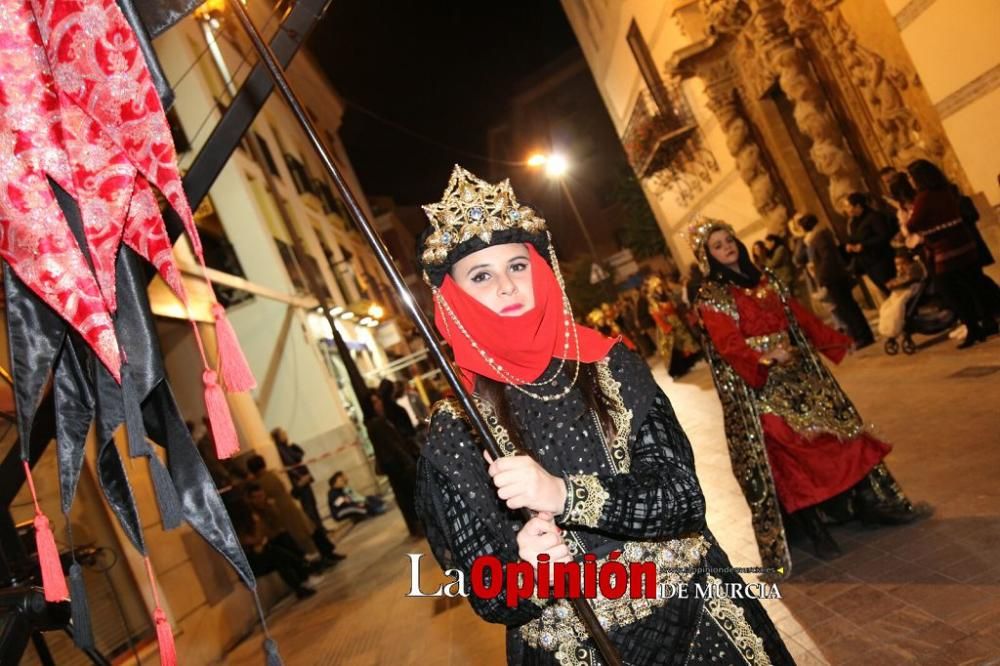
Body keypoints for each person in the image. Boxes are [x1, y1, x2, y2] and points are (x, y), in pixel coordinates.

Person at [413, 166, 793, 665]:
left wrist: (563, 494)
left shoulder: (608, 363)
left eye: (517, 266)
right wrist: (526, 571)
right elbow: (488, 595)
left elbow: (683, 498)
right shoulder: (457, 425)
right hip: (579, 649)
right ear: (453, 299)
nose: (506, 286)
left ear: (542, 269)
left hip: (699, 616)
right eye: (481, 276)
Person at [692, 219, 927, 567]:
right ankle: (814, 528)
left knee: (844, 430)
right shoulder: (713, 296)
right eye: (717, 245)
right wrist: (764, 358)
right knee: (788, 446)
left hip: (800, 377)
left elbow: (798, 316)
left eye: (729, 239)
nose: (727, 246)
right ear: (707, 256)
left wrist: (833, 339)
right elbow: (727, 343)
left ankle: (869, 503)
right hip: (763, 385)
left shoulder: (766, 278)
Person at [905, 160, 998, 347]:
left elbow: (913, 223)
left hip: (946, 250)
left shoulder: (924, 197)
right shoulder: (946, 190)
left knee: (950, 290)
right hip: (964, 243)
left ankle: (972, 326)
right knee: (973, 283)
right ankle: (987, 321)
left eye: (911, 177)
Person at [246, 454, 344, 565]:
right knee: (310, 533)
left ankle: (323, 557)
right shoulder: (270, 476)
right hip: (287, 509)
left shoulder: (259, 481)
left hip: (284, 511)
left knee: (307, 534)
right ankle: (325, 555)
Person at [800, 214, 875, 347]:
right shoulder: (817, 236)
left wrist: (822, 275)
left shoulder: (820, 235)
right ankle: (858, 336)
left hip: (833, 277)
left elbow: (827, 258)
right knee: (845, 308)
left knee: (848, 307)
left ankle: (863, 336)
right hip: (832, 276)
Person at [230, 498, 318, 600]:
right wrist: (257, 523)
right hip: (249, 566)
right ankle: (303, 564)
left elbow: (267, 533)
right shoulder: (238, 529)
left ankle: (300, 583)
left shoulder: (249, 524)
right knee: (276, 554)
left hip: (260, 556)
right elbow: (255, 540)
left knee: (279, 558)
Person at [366, 392, 422, 536]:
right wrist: (406, 461)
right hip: (398, 467)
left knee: (407, 497)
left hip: (396, 467)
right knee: (408, 497)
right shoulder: (377, 423)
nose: (379, 404)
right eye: (375, 402)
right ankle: (418, 526)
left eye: (378, 400)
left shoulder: (380, 421)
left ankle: (416, 526)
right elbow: (392, 446)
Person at [641, 275, 701, 377]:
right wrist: (666, 327)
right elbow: (656, 314)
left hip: (676, 322)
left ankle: (687, 363)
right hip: (667, 325)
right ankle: (678, 369)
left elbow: (673, 306)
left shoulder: (665, 295)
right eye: (657, 287)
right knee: (673, 348)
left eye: (660, 286)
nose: (660, 289)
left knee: (684, 343)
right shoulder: (653, 301)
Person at [844, 192, 897, 296]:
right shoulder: (853, 222)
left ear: (858, 206)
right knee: (885, 290)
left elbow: (884, 236)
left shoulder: (874, 217)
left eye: (848, 206)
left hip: (880, 260)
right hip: (867, 263)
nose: (846, 209)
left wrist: (864, 245)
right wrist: (849, 245)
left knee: (893, 289)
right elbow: (853, 238)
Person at [271, 427, 322, 528]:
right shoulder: (281, 450)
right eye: (282, 433)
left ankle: (321, 528)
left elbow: (299, 454)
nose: (285, 434)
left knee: (313, 504)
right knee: (309, 508)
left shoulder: (288, 447)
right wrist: (301, 478)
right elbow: (290, 465)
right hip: (300, 482)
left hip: (304, 479)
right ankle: (317, 531)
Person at [877, 251, 927, 340]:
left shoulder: (913, 268)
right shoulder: (901, 271)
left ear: (909, 262)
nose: (900, 267)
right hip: (900, 292)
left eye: (903, 263)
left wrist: (895, 284)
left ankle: (895, 328)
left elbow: (908, 279)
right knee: (885, 307)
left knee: (897, 307)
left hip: (910, 289)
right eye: (897, 264)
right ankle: (888, 330)